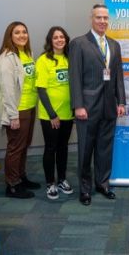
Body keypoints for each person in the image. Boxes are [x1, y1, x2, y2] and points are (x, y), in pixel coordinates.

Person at [69, 4, 126, 206]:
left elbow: (118, 76)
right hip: (87, 108)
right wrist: (78, 105)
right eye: (98, 17)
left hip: (109, 107)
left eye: (105, 18)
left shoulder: (114, 45)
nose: (103, 21)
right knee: (85, 150)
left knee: (105, 149)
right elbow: (74, 77)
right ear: (91, 18)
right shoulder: (79, 43)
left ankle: (103, 184)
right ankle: (85, 190)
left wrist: (121, 102)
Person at [0, 21, 41, 199]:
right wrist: (13, 115)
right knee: (15, 148)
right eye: (17, 33)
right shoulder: (6, 58)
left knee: (24, 146)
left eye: (24, 32)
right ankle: (12, 185)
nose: (22, 35)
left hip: (29, 107)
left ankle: (21, 177)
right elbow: (7, 90)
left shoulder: (27, 54)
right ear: (10, 36)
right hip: (17, 110)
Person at [35, 26, 74, 200]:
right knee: (51, 148)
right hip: (50, 115)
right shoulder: (43, 60)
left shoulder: (70, 58)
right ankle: (50, 183)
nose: (59, 40)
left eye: (62, 37)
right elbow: (41, 89)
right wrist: (52, 114)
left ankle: (62, 179)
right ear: (50, 41)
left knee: (63, 148)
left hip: (68, 114)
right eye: (55, 37)